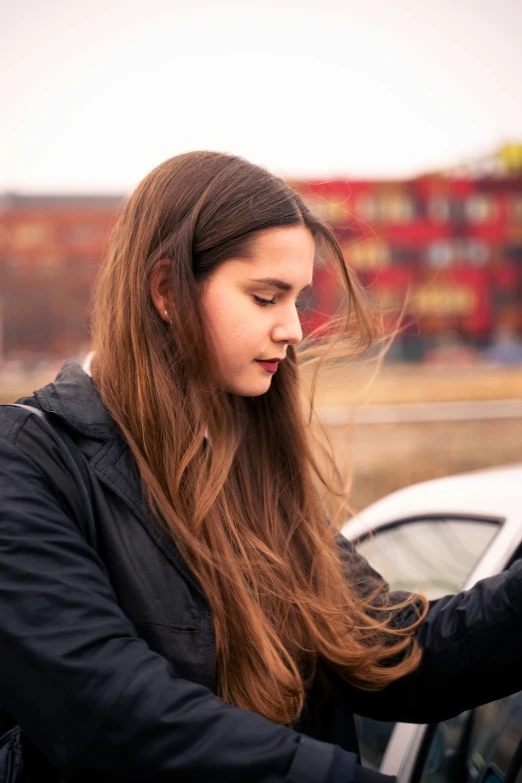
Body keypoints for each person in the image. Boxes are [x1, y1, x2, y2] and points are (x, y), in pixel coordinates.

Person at [1, 151, 522, 783]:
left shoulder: (250, 462)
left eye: (298, 299)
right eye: (266, 297)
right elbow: (114, 714)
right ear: (166, 290)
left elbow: (395, 657)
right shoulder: (29, 463)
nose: (295, 329)